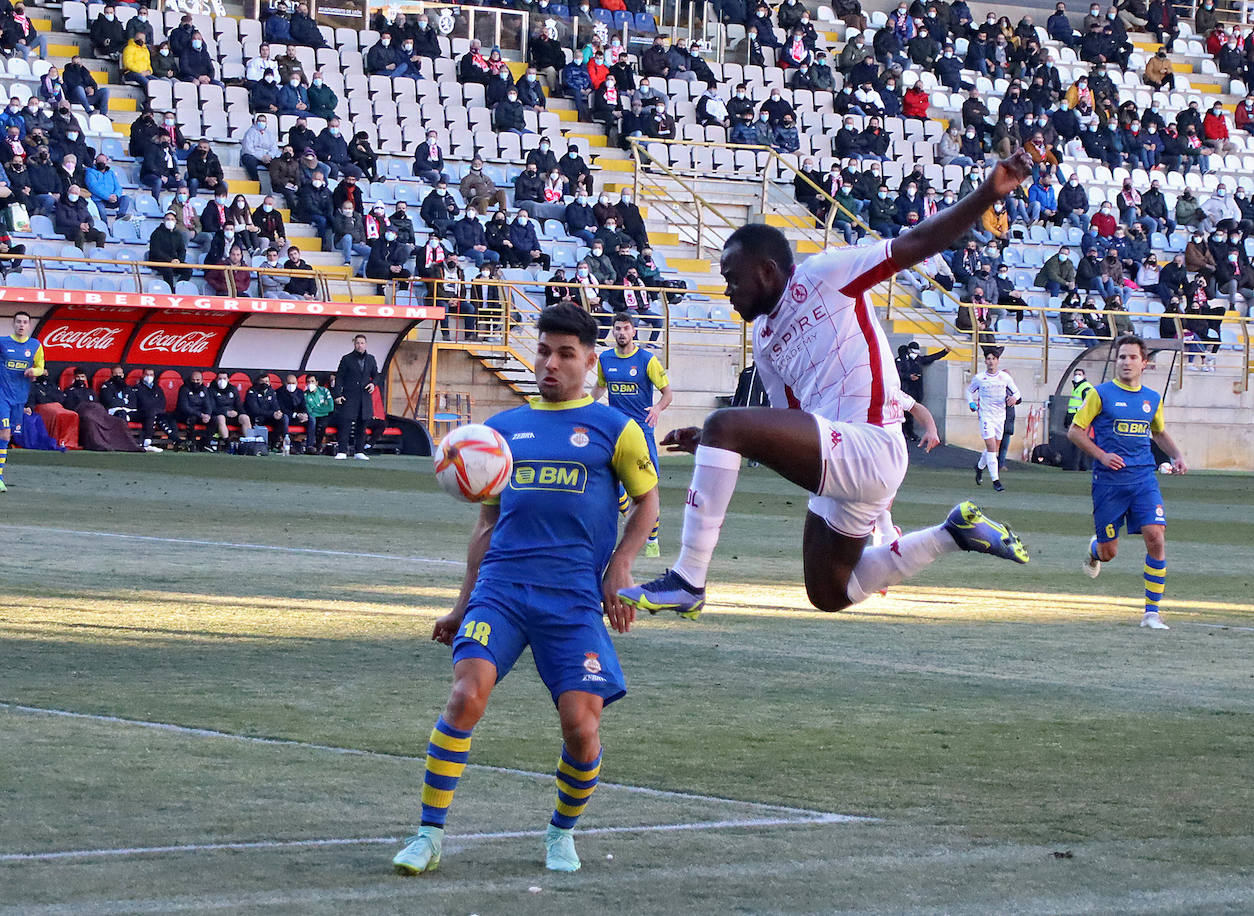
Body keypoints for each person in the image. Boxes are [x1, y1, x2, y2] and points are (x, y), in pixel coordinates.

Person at [618, 150, 1036, 620]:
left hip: (874, 444)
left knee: (723, 423)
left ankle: (688, 577)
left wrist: (986, 194)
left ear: (767, 271)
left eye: (732, 279)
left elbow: (916, 241)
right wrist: (719, 446)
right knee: (830, 592)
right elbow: (791, 426)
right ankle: (952, 533)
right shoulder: (764, 338)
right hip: (842, 461)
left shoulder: (826, 273)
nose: (727, 291)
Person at [391, 304, 658, 877]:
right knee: (466, 694)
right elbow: (486, 527)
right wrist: (462, 605)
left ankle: (560, 833)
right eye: (543, 351)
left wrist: (621, 565)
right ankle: (427, 835)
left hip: (572, 600)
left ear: (591, 361)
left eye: (565, 354)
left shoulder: (618, 429)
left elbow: (648, 503)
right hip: (503, 589)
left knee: (582, 729)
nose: (551, 364)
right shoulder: (502, 433)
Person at [1069, 335, 1188, 629]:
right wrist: (1102, 454)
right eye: (1122, 357)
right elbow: (1074, 431)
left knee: (1156, 536)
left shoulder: (1151, 399)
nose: (1126, 362)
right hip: (1109, 482)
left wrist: (1176, 455)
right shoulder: (1100, 394)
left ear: (1144, 363)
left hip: (1143, 478)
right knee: (1109, 552)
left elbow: (1158, 432)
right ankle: (1095, 550)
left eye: (1133, 357)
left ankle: (1151, 613)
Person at [592, 312, 672, 558]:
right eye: (617, 329)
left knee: (649, 487)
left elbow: (667, 393)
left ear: (634, 331)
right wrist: (584, 405)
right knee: (610, 481)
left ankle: (653, 541)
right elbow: (600, 387)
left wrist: (657, 408)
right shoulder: (605, 359)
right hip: (614, 430)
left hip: (641, 431)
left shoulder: (647, 360)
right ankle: (635, 526)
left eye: (626, 328)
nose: (621, 333)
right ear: (613, 331)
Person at [0, 311, 44, 492]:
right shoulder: (2, 342)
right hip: (2, 395)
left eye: (25, 322)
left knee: (5, 439)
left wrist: (34, 372)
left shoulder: (35, 345)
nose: (21, 325)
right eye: (18, 322)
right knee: (4, 436)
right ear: (13, 324)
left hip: (20, 397)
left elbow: (41, 367)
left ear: (29, 325)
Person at [966, 347, 1020, 492]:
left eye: (993, 359)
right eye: (988, 359)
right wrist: (971, 403)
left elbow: (1017, 392)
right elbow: (969, 391)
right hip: (986, 416)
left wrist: (1014, 398)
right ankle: (996, 481)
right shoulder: (979, 378)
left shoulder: (1004, 377)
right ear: (985, 361)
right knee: (991, 448)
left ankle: (979, 467)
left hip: (1000, 417)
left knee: (993, 449)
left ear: (997, 361)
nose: (991, 362)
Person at [333, 334, 379, 460]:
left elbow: (376, 375)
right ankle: (342, 450)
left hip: (364, 397)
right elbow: (339, 377)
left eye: (362, 343)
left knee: (362, 424)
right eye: (358, 343)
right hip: (350, 396)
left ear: (366, 344)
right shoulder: (346, 359)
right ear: (354, 344)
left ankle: (359, 451)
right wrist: (337, 394)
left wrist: (373, 384)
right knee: (345, 423)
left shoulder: (371, 359)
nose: (360, 345)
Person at [133, 367, 179, 449]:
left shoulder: (158, 388)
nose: (149, 377)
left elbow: (162, 402)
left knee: (171, 418)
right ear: (143, 375)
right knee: (154, 415)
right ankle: (148, 439)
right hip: (144, 414)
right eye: (147, 374)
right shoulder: (137, 388)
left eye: (151, 375)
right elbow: (143, 402)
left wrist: (157, 409)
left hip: (158, 412)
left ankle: (175, 439)